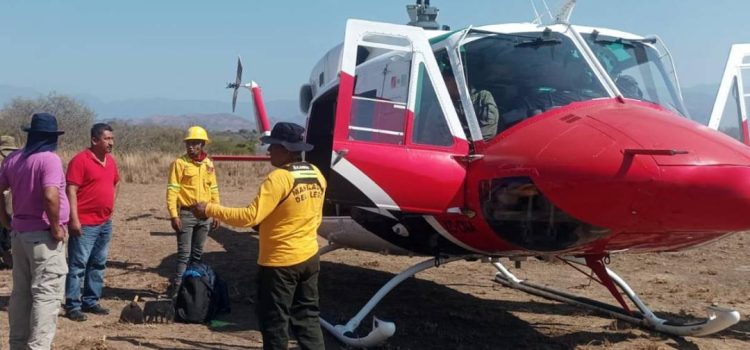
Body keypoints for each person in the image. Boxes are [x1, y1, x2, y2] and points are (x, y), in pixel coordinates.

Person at [193, 122, 326, 350]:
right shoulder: (316, 174)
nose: (268, 152)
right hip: (310, 257)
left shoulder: (279, 178)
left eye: (272, 146)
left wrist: (209, 209)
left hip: (280, 263)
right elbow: (309, 215)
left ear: (285, 149)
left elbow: (249, 217)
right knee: (307, 318)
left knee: (274, 321)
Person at [0, 112, 69, 350]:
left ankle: (17, 344)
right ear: (51, 137)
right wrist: (55, 227)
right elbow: (50, 195)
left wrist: (6, 220)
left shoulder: (14, 158)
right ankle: (38, 347)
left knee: (21, 294)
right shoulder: (48, 160)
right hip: (43, 237)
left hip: (19, 235)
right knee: (46, 296)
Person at [63, 123, 120, 321]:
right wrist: (74, 219)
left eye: (112, 138)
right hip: (85, 223)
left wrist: (111, 207)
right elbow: (71, 190)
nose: (111, 142)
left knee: (98, 263)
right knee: (78, 264)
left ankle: (91, 301)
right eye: (107, 139)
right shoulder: (80, 161)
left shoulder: (110, 161)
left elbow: (116, 182)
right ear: (94, 140)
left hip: (104, 222)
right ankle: (72, 305)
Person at [166, 125, 220, 298]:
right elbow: (172, 190)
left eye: (195, 143)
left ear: (202, 144)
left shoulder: (208, 164)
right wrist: (174, 215)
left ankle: (192, 287)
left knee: (197, 254)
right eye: (188, 143)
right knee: (184, 255)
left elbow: (213, 188)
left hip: (205, 215)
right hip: (186, 215)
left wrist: (216, 212)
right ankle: (177, 291)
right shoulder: (179, 164)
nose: (191, 146)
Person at [443, 70, 500, 140]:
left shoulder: (482, 97)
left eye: (446, 80)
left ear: (455, 80)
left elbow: (489, 129)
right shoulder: (445, 103)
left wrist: (467, 143)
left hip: (479, 147)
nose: (443, 85)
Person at [0, 135, 19, 268]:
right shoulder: (18, 159)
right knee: (8, 228)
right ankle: (7, 255)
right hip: (13, 199)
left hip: (4, 197)